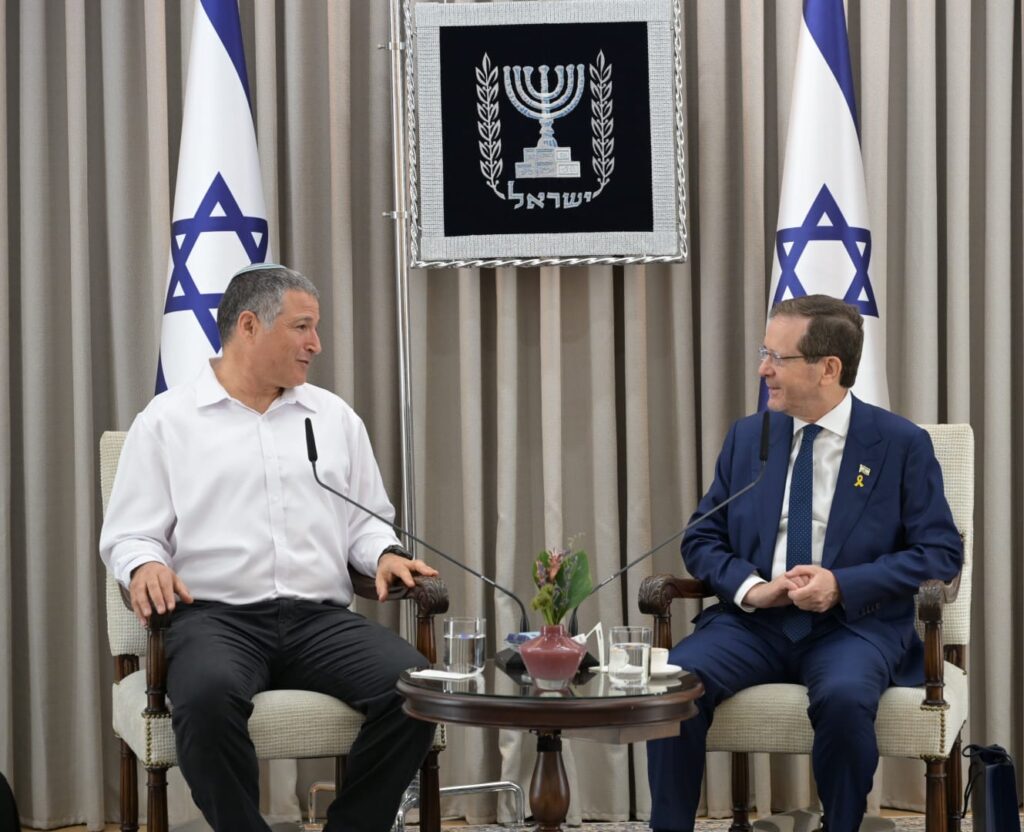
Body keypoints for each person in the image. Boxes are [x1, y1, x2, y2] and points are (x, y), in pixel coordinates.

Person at [100, 264, 438, 832]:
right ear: (250, 326)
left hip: (318, 622)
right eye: (302, 327)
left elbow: (366, 522)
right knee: (206, 701)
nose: (316, 344)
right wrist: (145, 564)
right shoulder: (166, 421)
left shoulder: (333, 418)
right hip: (214, 621)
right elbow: (131, 533)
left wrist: (383, 554)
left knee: (416, 689)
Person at [646, 295, 962, 832]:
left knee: (844, 698)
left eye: (777, 356)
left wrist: (842, 584)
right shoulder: (750, 437)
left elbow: (941, 553)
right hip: (753, 624)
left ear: (828, 368)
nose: (763, 368)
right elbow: (702, 536)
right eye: (763, 352)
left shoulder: (899, 444)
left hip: (853, 626)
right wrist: (751, 587)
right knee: (673, 684)